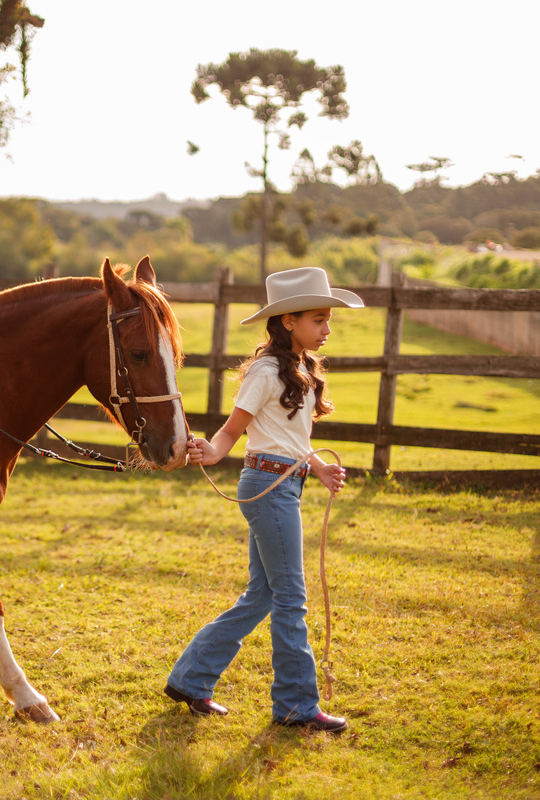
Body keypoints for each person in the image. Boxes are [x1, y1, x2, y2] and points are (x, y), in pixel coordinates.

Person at [164, 266, 363, 734]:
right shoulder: (267, 370)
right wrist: (211, 452)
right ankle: (296, 706)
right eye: (319, 319)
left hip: (284, 483)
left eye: (328, 319)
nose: (327, 328)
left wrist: (318, 467)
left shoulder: (301, 370)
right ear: (288, 321)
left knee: (263, 596)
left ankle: (191, 680)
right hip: (267, 487)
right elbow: (235, 430)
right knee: (291, 599)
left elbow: (291, 439)